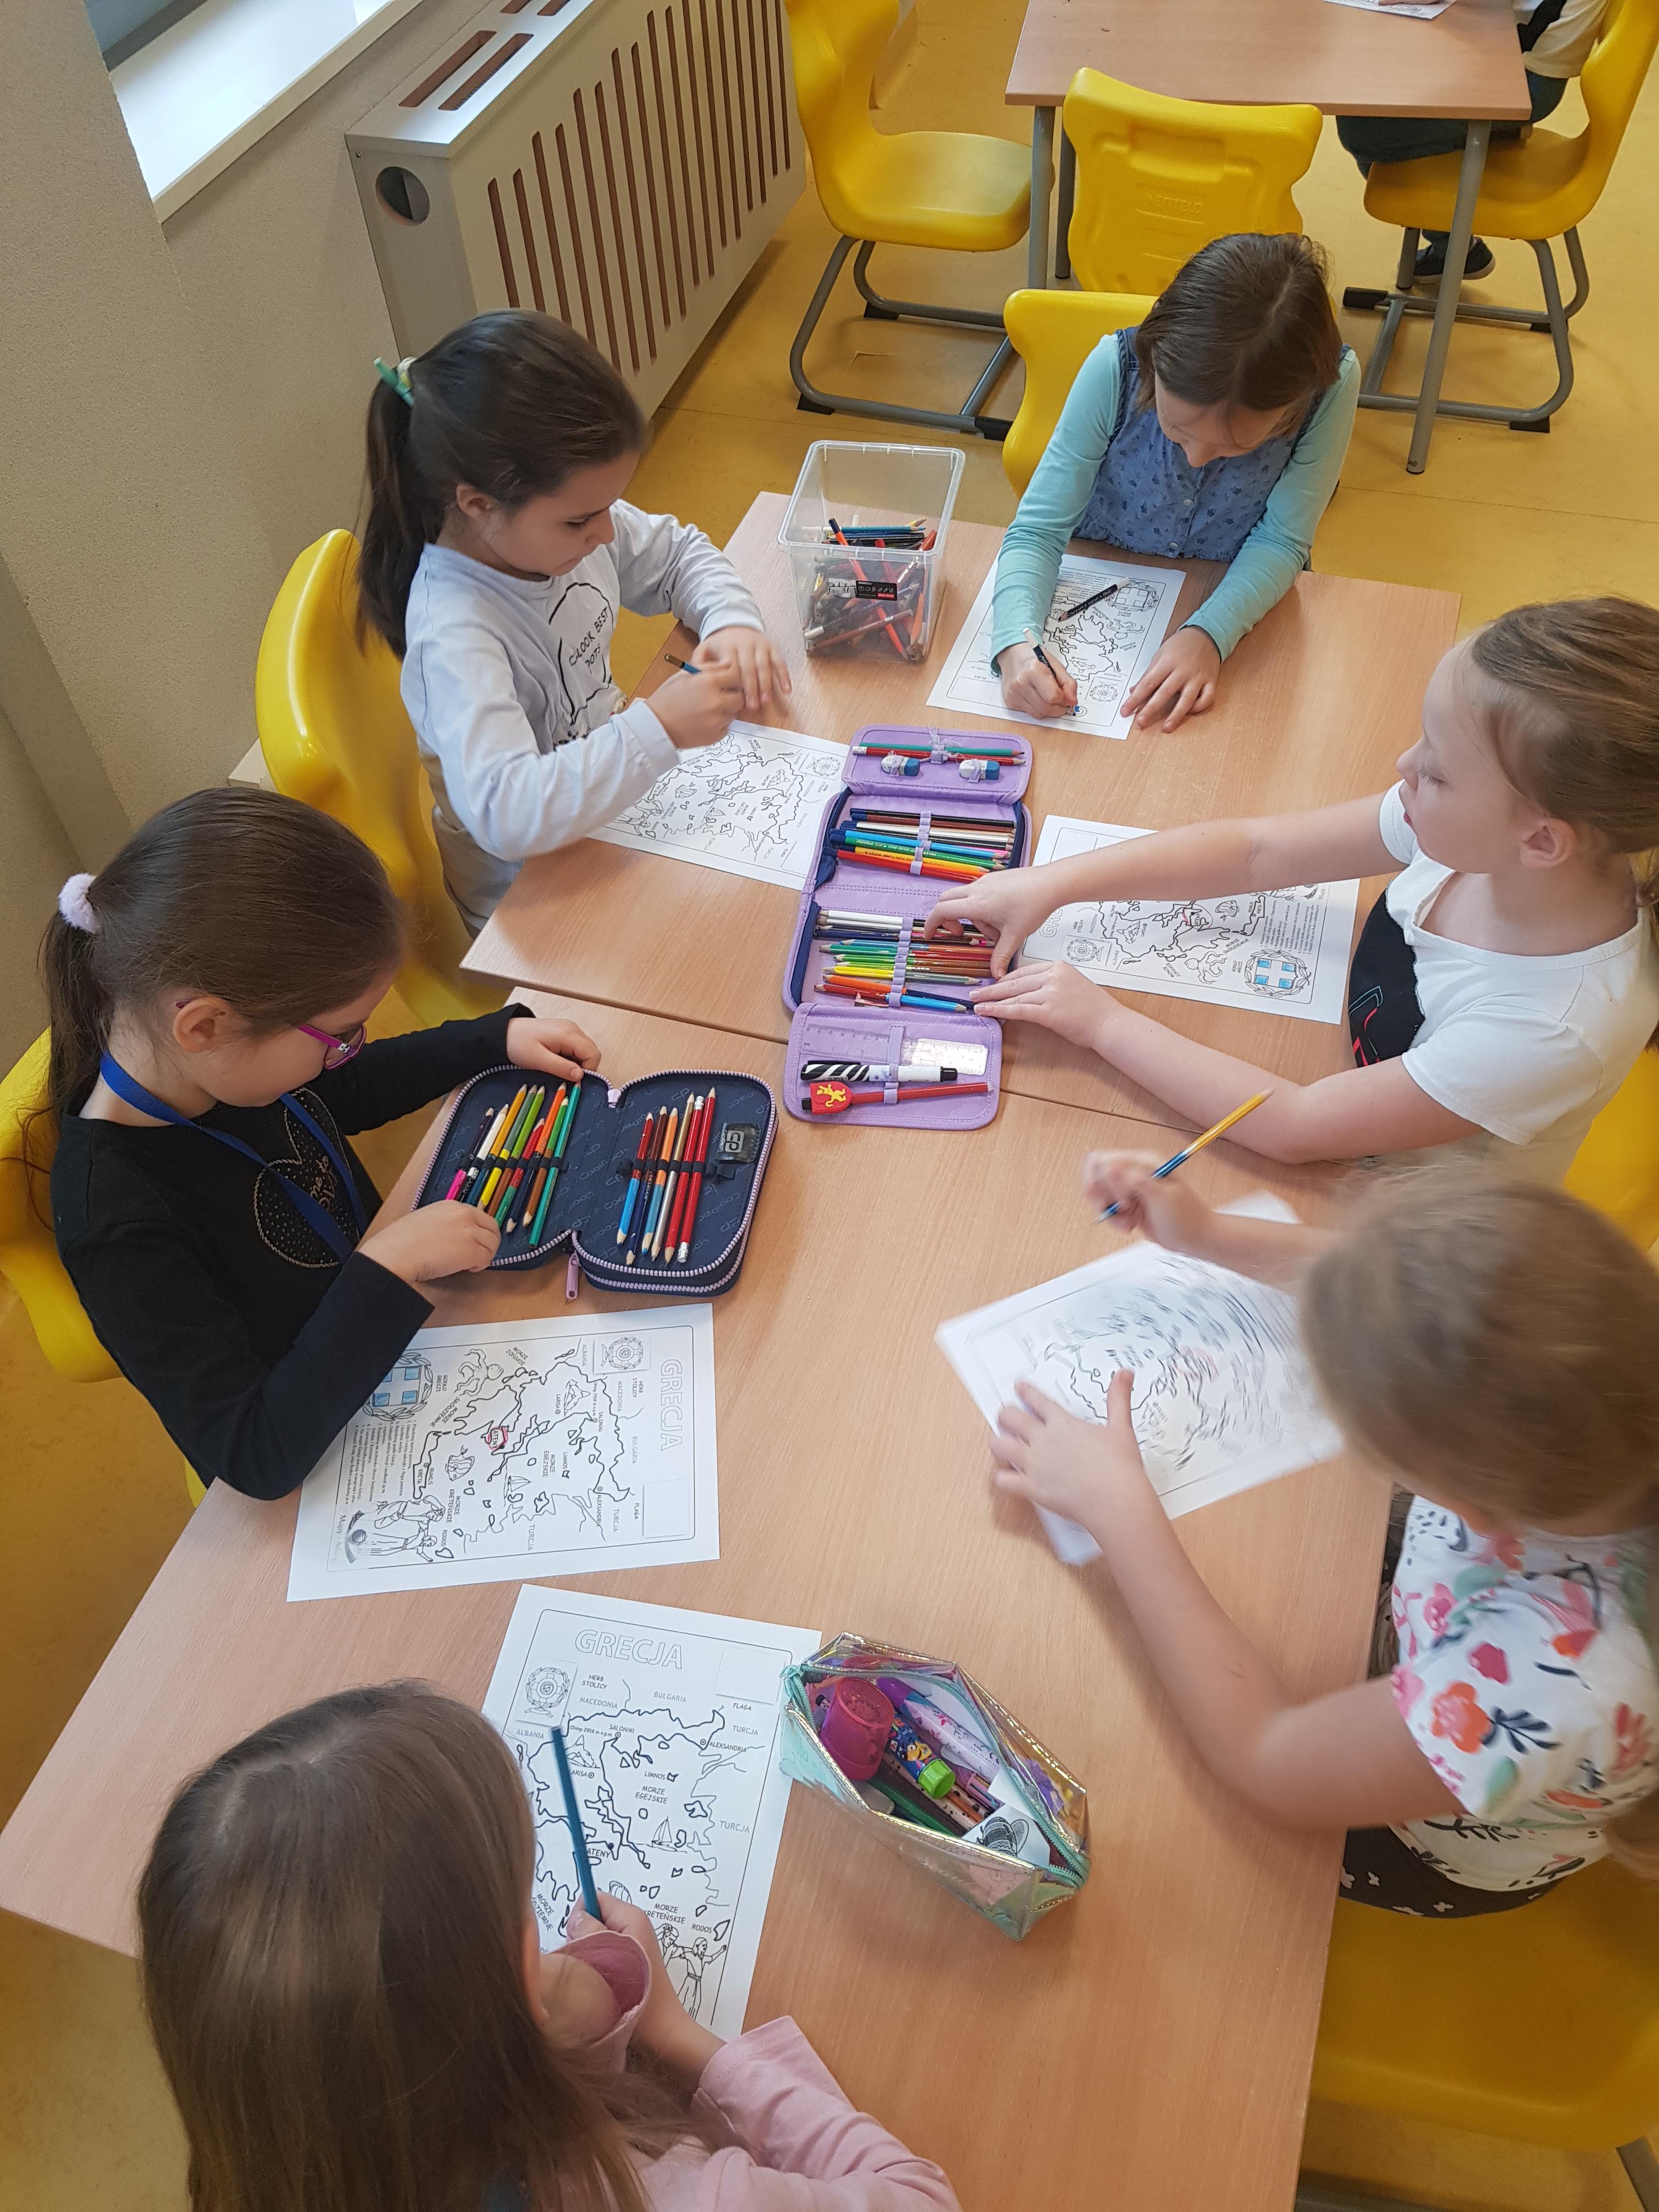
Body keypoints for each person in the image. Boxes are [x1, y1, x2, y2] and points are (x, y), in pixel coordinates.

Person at [990, 1167, 1659, 1914]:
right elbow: (1417, 1303)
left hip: (1425, 1832)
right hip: (1446, 1635)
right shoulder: (1612, 1387)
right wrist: (1209, 1234)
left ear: (1472, 1502)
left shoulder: (1554, 1683)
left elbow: (1265, 1758)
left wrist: (1119, 1509)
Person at [137, 1681, 962, 2210]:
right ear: (514, 1972)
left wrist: (561, 2021)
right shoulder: (659, 2193)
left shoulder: (278, 2143)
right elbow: (920, 2197)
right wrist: (680, 2036)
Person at [936, 597, 1659, 1181]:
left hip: (1412, 1211)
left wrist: (1100, 1022)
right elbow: (1259, 853)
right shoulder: (1486, 837)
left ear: (1542, 841)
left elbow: (1296, 1127)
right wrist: (1053, 883)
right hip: (1352, 1072)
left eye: (1437, 770)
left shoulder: (1546, 1029)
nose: (1404, 765)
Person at [46, 786, 597, 1500]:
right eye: (339, 1036)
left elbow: (346, 1089)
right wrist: (388, 1266)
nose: (347, 1053)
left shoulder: (215, 1069)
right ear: (204, 1025)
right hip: (324, 1439)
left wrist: (493, 1039)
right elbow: (253, 1453)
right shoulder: (117, 1224)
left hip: (397, 1337)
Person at [359, 311, 792, 932]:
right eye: (581, 520)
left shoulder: (555, 530)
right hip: (529, 898)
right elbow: (507, 815)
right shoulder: (455, 635)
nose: (607, 533)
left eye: (610, 507)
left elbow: (678, 555)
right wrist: (659, 728)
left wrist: (730, 623)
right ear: (478, 504)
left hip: (608, 812)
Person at [990, 233, 1358, 735]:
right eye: (1177, 428)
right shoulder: (1115, 367)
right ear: (1154, 360)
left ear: (1293, 408)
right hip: (1103, 569)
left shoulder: (1330, 387)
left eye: (1236, 447)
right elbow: (1038, 530)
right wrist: (1016, 642)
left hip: (1236, 591)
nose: (1197, 457)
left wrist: (1209, 634)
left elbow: (1282, 540)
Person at [1337, 0, 1610, 286]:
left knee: (1367, 129)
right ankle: (1458, 241)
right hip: (1500, 46)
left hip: (1523, 81)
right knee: (1384, 83)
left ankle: (1456, 247)